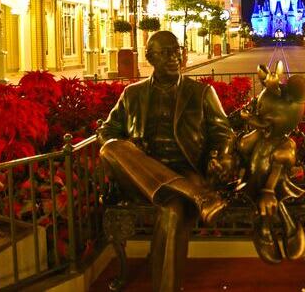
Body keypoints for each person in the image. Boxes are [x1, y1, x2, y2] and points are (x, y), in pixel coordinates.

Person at [98, 30, 235, 292]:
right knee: (112, 147)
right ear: (150, 57)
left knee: (172, 211)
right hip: (140, 180)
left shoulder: (201, 92)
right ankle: (199, 195)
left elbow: (223, 133)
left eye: (177, 50)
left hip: (187, 170)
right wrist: (131, 147)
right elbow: (106, 132)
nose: (175, 57)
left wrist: (219, 155)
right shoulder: (132, 94)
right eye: (166, 52)